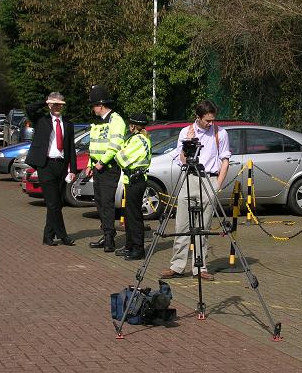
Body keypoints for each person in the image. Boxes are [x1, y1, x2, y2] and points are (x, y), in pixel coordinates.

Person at [160, 100, 231, 281]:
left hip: (209, 179)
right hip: (189, 178)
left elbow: (225, 159)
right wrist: (189, 141)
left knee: (203, 227)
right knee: (182, 225)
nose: (210, 123)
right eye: (207, 120)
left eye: (212, 119)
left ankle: (200, 267)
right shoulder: (186, 131)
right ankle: (177, 266)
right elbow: (182, 160)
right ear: (198, 117)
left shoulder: (220, 133)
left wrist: (218, 184)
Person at [25, 92, 77, 246]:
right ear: (49, 104)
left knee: (57, 203)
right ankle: (63, 236)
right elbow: (29, 108)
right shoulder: (41, 120)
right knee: (52, 203)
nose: (57, 107)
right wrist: (46, 101)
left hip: (61, 166)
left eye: (60, 104)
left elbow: (71, 148)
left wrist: (72, 169)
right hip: (45, 165)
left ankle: (47, 236)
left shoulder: (68, 124)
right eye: (54, 104)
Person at [85, 85, 126, 252]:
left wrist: (101, 162)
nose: (92, 109)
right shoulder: (97, 122)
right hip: (97, 167)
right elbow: (93, 146)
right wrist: (90, 164)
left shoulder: (116, 120)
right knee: (100, 202)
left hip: (108, 167)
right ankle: (106, 233)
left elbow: (115, 146)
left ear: (101, 105)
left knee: (107, 203)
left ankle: (110, 239)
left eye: (93, 105)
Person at [112, 113, 152, 261]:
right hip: (133, 180)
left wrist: (119, 153)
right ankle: (130, 245)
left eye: (130, 124)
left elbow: (121, 158)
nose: (129, 126)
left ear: (134, 126)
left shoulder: (138, 140)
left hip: (136, 180)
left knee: (134, 216)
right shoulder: (141, 138)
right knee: (129, 215)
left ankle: (138, 249)